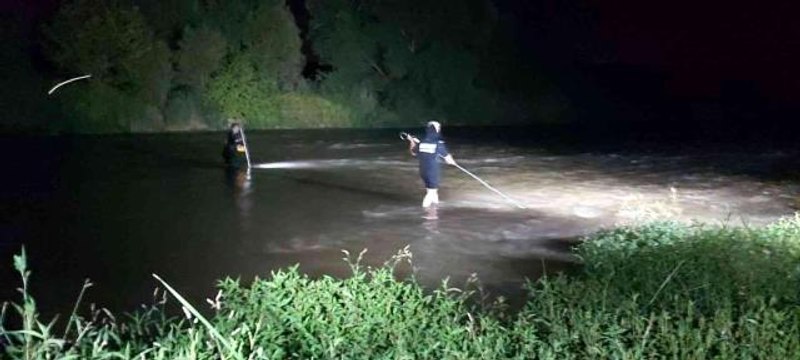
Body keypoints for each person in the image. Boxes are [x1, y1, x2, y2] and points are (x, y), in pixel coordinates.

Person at [404, 121, 457, 208]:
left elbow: (413, 152)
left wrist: (412, 142)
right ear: (435, 130)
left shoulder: (422, 142)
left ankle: (435, 208)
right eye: (438, 128)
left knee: (432, 191)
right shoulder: (438, 143)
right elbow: (448, 159)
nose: (439, 129)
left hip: (423, 171)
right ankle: (424, 212)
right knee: (431, 193)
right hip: (432, 172)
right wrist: (452, 162)